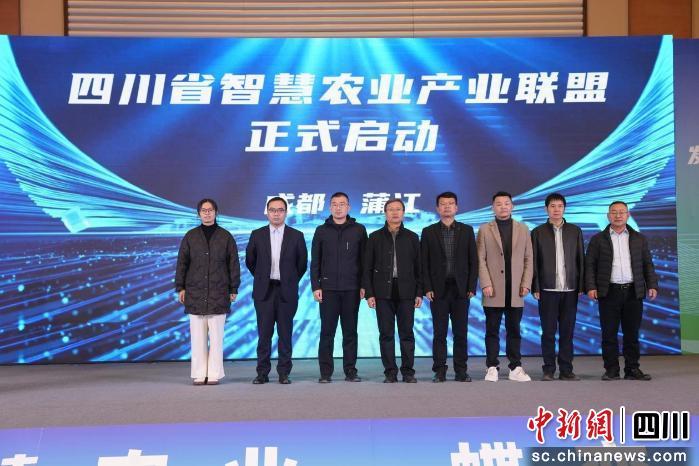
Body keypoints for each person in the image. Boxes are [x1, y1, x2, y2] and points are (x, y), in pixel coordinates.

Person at [585, 200, 658, 381]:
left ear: (628, 215)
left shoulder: (639, 239)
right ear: (608, 216)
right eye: (614, 212)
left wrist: (652, 285)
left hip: (633, 292)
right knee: (608, 334)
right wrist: (591, 287)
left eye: (621, 212)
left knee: (631, 334)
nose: (618, 215)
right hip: (608, 292)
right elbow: (590, 265)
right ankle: (611, 369)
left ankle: (632, 369)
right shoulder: (598, 239)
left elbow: (647, 264)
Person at [175, 198, 240, 385]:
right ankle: (199, 373)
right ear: (198, 214)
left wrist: (233, 288)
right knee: (197, 337)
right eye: (204, 210)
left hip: (219, 292)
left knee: (217, 338)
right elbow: (182, 263)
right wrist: (180, 287)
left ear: (216, 213)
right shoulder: (190, 236)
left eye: (210, 210)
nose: (207, 213)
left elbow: (233, 264)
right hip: (195, 292)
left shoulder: (226, 236)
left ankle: (214, 373)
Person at [246, 196, 308, 384]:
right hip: (264, 291)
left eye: (280, 210)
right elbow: (250, 261)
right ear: (267, 212)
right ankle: (262, 373)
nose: (276, 214)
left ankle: (284, 373)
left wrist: (289, 280)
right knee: (264, 334)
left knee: (285, 333)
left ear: (286, 213)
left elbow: (301, 264)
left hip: (286, 291)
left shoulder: (296, 235)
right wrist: (263, 277)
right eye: (272, 210)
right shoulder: (257, 234)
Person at [363, 199, 422, 383]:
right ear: (385, 213)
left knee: (407, 334)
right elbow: (367, 267)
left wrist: (419, 292)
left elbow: (420, 268)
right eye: (390, 209)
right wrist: (369, 294)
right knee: (386, 334)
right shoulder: (374, 237)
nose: (394, 213)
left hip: (407, 292)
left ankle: (408, 372)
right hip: (382, 292)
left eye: (398, 209)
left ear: (403, 212)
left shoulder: (412, 237)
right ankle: (390, 372)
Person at [421, 192, 478, 382]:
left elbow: (473, 261)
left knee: (461, 333)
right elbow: (424, 263)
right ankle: (440, 370)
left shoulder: (467, 230)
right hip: (438, 290)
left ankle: (461, 370)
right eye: (443, 204)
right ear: (437, 208)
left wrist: (471, 286)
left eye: (451, 203)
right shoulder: (429, 231)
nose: (447, 207)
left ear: (456, 207)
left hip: (461, 289)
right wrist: (427, 287)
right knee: (439, 333)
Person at [311, 192, 367, 383]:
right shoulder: (321, 231)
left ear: (348, 207)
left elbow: (365, 261)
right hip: (328, 289)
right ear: (330, 208)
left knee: (350, 332)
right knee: (327, 332)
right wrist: (316, 286)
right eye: (334, 204)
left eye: (342, 204)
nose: (338, 207)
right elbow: (315, 261)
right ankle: (325, 373)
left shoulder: (359, 230)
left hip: (352, 289)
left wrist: (364, 286)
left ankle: (350, 371)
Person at [477, 191, 533, 382]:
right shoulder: (485, 229)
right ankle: (492, 366)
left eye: (506, 203)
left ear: (512, 206)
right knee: (492, 330)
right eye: (499, 204)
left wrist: (526, 283)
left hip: (516, 288)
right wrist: (485, 283)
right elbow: (480, 259)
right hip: (493, 289)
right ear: (493, 207)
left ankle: (515, 367)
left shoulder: (522, 228)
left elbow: (529, 258)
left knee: (514, 330)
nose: (503, 207)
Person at [531, 193, 584, 381]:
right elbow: (534, 262)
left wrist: (581, 285)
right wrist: (535, 286)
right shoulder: (537, 232)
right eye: (552, 206)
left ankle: (566, 369)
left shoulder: (575, 231)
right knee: (548, 332)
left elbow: (580, 259)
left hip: (570, 289)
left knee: (567, 332)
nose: (556, 209)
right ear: (546, 209)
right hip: (547, 290)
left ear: (564, 208)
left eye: (560, 206)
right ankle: (548, 369)